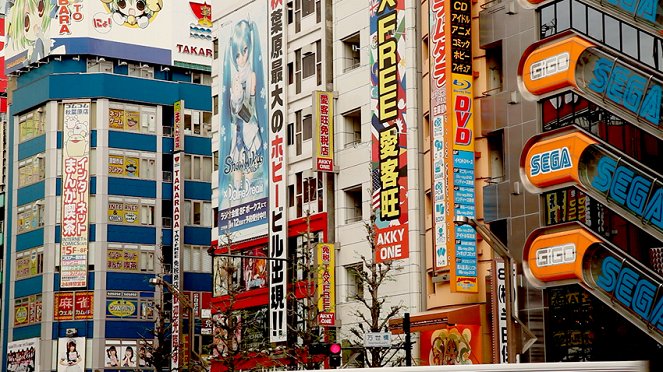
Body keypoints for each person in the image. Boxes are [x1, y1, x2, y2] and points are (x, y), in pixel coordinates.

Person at [220, 18, 268, 204]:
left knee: (248, 165)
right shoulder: (234, 78)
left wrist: (240, 101)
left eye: (244, 51)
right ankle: (237, 200)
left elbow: (252, 105)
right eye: (237, 54)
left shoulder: (253, 75)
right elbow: (232, 113)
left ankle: (250, 199)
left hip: (249, 126)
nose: (241, 57)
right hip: (237, 130)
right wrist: (234, 100)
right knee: (237, 165)